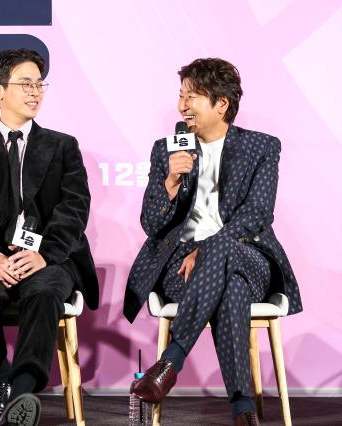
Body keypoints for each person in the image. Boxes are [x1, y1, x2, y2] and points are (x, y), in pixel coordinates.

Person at [123, 58, 302, 426]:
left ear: (221, 103)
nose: (182, 106)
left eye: (192, 97)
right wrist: (171, 182)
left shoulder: (261, 147)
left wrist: (208, 249)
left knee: (226, 256)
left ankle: (171, 360)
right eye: (180, 96)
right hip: (181, 267)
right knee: (231, 291)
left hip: (248, 257)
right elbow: (151, 224)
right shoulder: (167, 150)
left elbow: (256, 215)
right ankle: (242, 410)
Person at [0, 48, 98, 426]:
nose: (35, 92)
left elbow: (74, 208)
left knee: (44, 293)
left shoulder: (63, 146)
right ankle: (5, 378)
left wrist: (45, 252)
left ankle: (24, 391)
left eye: (39, 84)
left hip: (49, 257)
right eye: (25, 84)